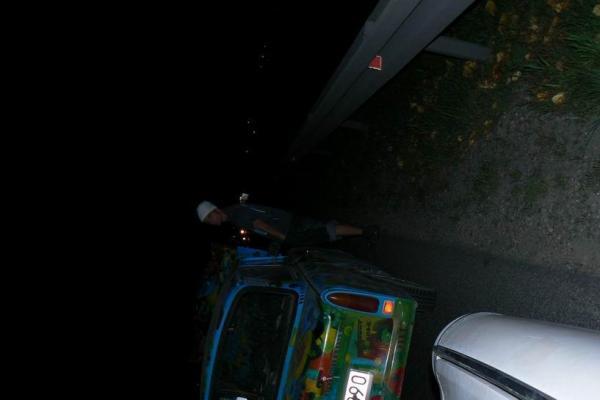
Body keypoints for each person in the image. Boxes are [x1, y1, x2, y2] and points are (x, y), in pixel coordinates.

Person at [196, 200, 379, 247]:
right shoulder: (234, 212)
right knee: (326, 231)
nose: (211, 223)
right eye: (207, 222)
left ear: (215, 211)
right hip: (288, 222)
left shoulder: (236, 215)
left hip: (288, 226)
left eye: (209, 219)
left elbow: (259, 224)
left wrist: (282, 237)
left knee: (328, 230)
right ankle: (364, 232)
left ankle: (367, 231)